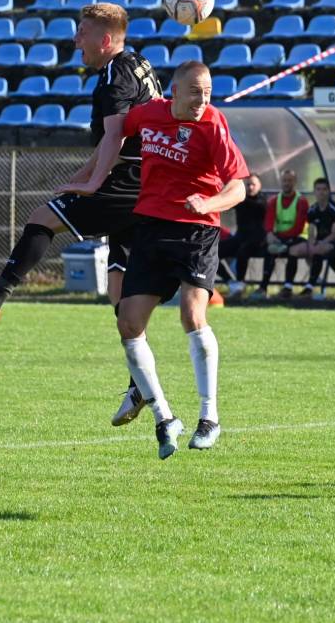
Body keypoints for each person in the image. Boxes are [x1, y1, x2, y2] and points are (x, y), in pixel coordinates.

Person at [0, 3, 161, 426]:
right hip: (146, 183)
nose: (76, 42)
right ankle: (140, 382)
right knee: (120, 294)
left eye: (82, 33)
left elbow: (115, 136)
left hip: (127, 182)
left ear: (105, 40)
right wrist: (84, 174)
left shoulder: (114, 74)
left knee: (43, 217)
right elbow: (119, 135)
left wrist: (94, 183)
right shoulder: (138, 64)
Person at [114, 60, 249, 458]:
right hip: (151, 228)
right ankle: (164, 417)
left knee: (192, 314)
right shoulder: (148, 115)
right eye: (195, 92)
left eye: (207, 93)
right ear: (174, 91)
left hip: (196, 231)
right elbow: (114, 129)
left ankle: (210, 417)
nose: (202, 100)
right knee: (128, 321)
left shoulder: (212, 123)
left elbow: (238, 187)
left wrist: (208, 202)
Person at [289, 177, 335, 299]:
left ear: (328, 191)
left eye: (324, 189)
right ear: (314, 191)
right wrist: (311, 242)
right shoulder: (312, 209)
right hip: (321, 243)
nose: (321, 192)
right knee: (295, 250)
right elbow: (311, 230)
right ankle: (288, 286)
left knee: (320, 251)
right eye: (318, 189)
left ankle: (310, 286)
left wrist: (320, 243)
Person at [252, 168, 308, 300]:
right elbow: (269, 222)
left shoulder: (301, 201)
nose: (287, 183)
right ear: (280, 182)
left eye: (290, 180)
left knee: (292, 251)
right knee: (269, 249)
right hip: (281, 238)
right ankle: (263, 287)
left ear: (295, 182)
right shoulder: (274, 200)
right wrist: (270, 234)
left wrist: (283, 242)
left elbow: (298, 227)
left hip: (298, 237)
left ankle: (288, 287)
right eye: (284, 180)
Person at [217, 173, 265, 297]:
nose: (250, 187)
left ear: (259, 186)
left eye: (253, 184)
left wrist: (238, 196)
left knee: (243, 251)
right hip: (240, 237)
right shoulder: (240, 200)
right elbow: (225, 204)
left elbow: (258, 207)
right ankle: (231, 283)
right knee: (212, 253)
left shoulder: (263, 201)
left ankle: (240, 282)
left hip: (257, 241)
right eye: (248, 184)